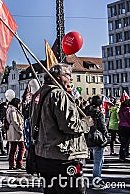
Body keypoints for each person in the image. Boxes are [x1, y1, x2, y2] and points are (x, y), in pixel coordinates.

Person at [30, 64, 93, 194]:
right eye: (68, 75)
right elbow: (69, 125)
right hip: (62, 157)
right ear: (58, 77)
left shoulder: (39, 93)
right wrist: (86, 123)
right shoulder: (59, 95)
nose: (71, 79)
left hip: (43, 155)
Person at [85, 95, 109, 190]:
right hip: (98, 139)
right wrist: (106, 136)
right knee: (98, 162)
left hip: (89, 138)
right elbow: (103, 127)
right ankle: (97, 181)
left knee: (98, 161)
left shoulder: (87, 111)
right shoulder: (99, 113)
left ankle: (97, 180)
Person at [6, 96, 25, 170]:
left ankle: (12, 164)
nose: (20, 105)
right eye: (19, 103)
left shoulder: (10, 108)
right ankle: (18, 163)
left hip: (12, 131)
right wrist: (20, 130)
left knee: (13, 148)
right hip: (15, 131)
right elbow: (14, 121)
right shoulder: (13, 110)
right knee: (22, 147)